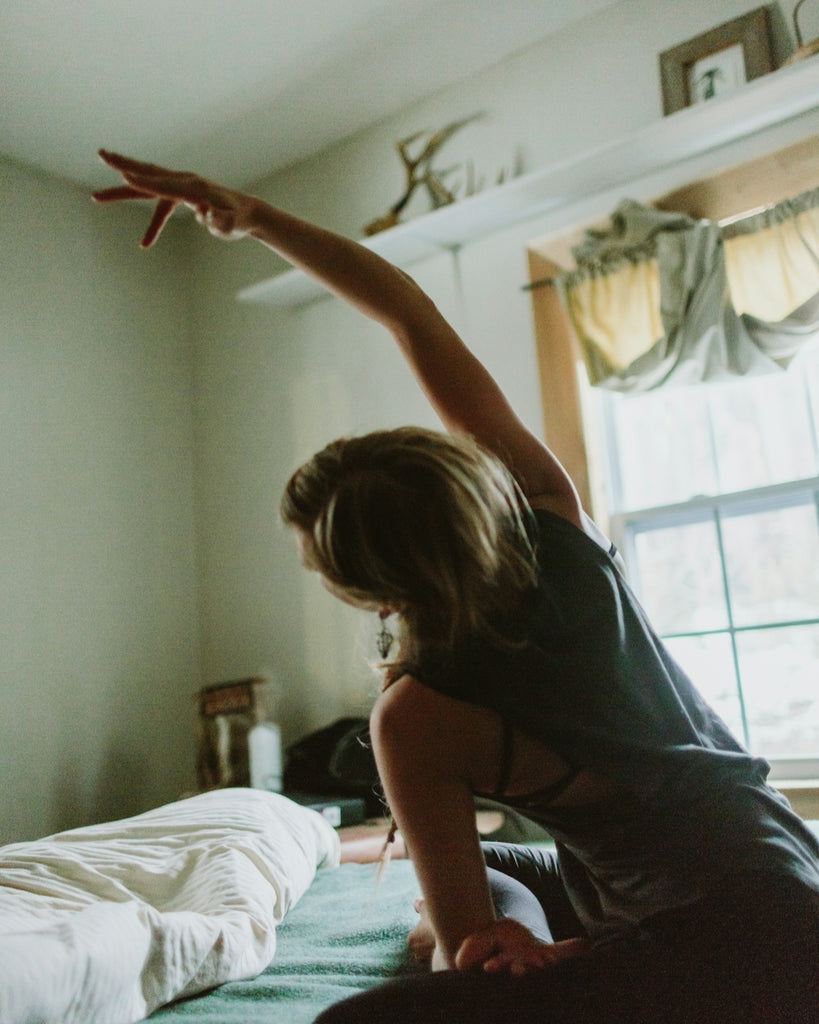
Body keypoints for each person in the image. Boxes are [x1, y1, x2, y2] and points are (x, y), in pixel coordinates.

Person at [94, 151, 819, 1024]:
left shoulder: (415, 716)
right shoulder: (552, 519)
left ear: (369, 589)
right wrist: (255, 217)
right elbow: (407, 311)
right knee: (477, 875)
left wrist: (479, 949)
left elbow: (458, 940)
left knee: (354, 1018)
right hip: (778, 860)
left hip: (733, 941)